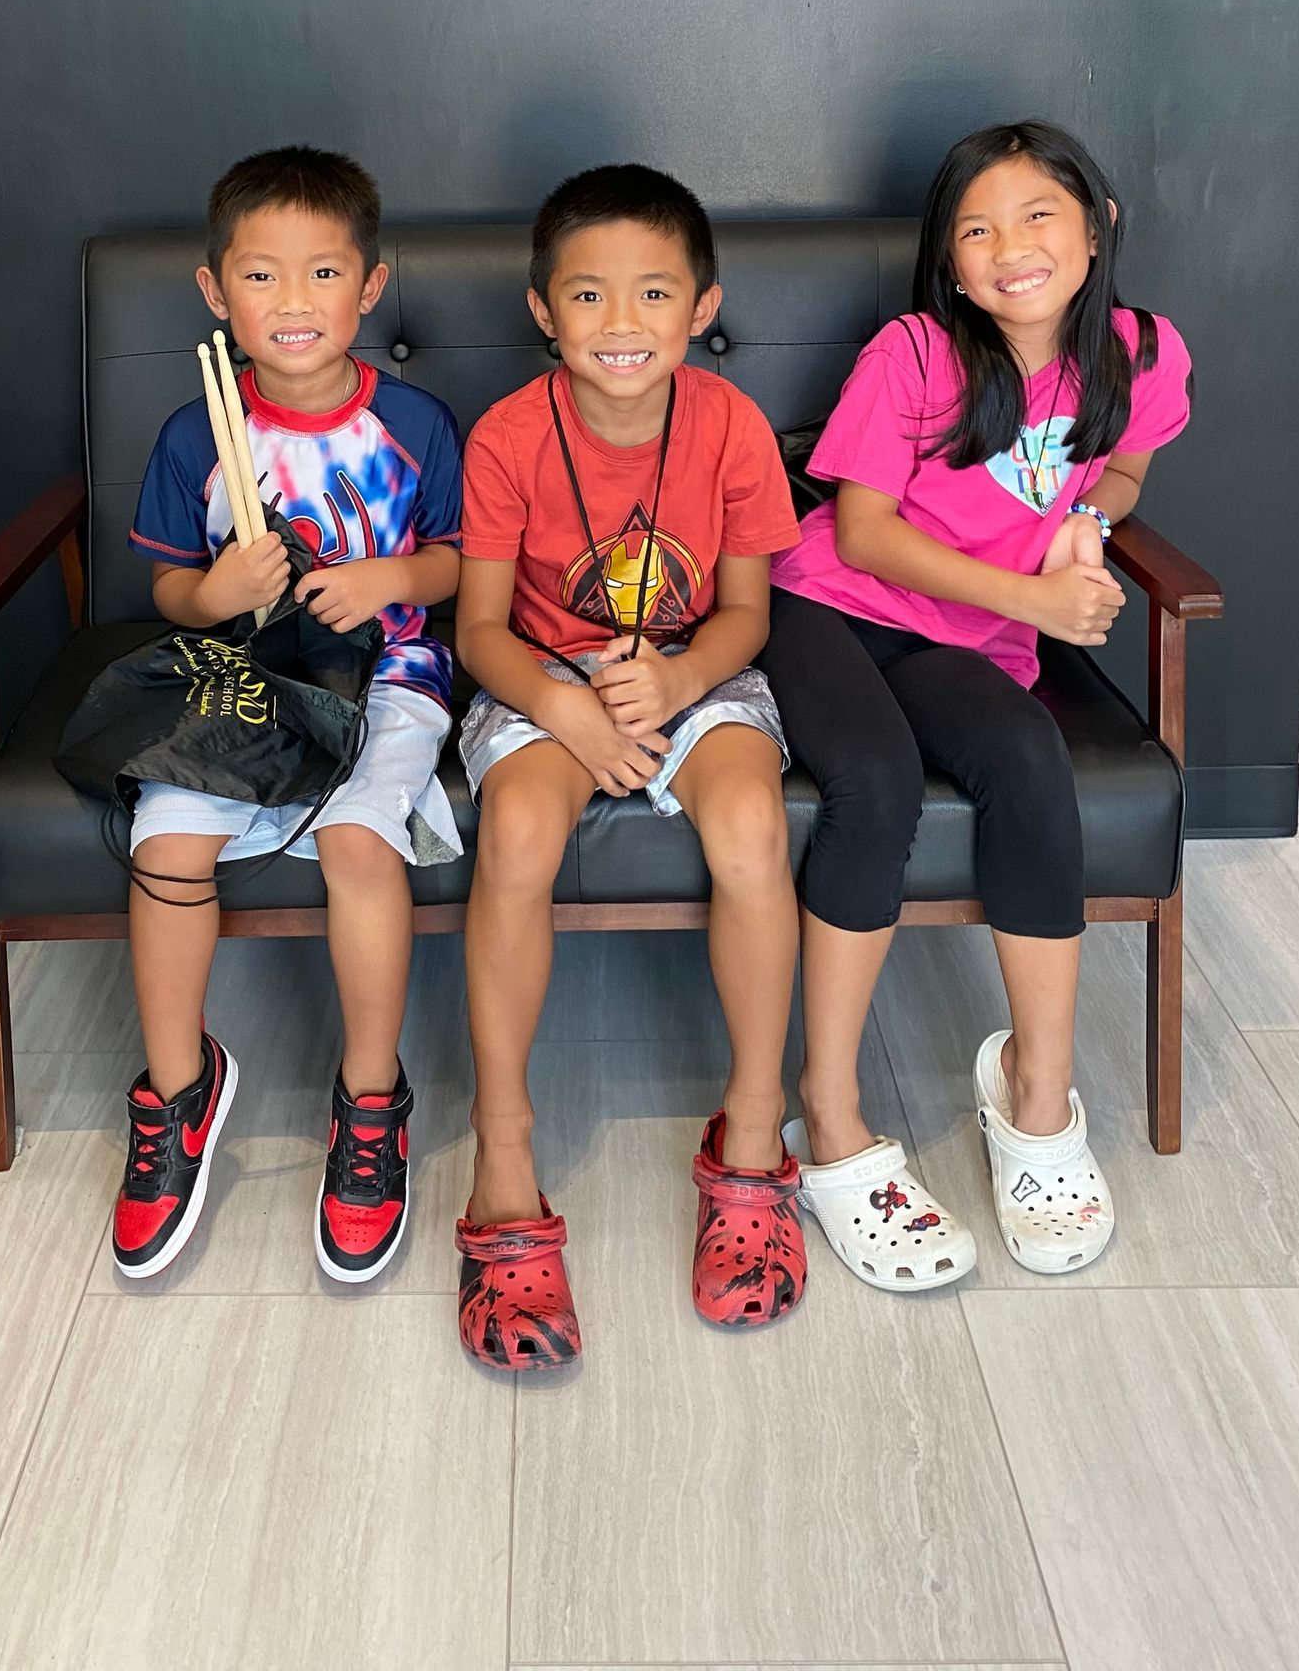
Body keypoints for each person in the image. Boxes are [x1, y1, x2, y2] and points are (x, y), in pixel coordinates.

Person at [761, 120, 1191, 1286]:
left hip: (968, 637)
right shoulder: (913, 351)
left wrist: (1087, 521)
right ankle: (830, 1113)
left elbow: (1127, 462)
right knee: (875, 781)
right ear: (950, 263)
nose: (1011, 249)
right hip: (829, 604)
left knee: (1031, 761)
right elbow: (861, 532)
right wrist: (1034, 597)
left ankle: (1038, 1097)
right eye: (978, 230)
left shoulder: (1143, 352)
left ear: (1098, 228)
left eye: (1038, 216)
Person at [453, 164, 805, 1369]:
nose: (621, 322)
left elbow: (747, 613)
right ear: (543, 309)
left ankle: (752, 1133)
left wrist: (680, 681)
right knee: (516, 834)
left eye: (653, 293)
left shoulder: (731, 424)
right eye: (588, 294)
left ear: (701, 307)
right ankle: (503, 1153)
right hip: (544, 679)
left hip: (693, 670)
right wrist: (570, 709)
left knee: (751, 823)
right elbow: (481, 630)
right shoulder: (509, 434)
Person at [111, 146, 462, 1287]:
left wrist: (388, 579)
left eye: (324, 272)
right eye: (261, 275)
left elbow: (460, 561)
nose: (293, 300)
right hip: (240, 675)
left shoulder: (415, 420)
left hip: (390, 675)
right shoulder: (192, 434)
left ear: (371, 286)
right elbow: (170, 592)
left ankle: (371, 1101)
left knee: (360, 844)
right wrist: (217, 592)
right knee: (166, 845)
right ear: (216, 292)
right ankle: (179, 1092)